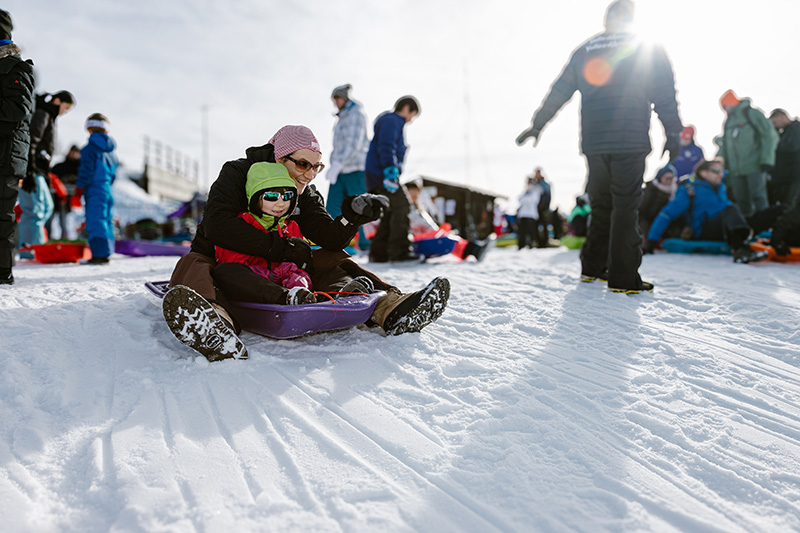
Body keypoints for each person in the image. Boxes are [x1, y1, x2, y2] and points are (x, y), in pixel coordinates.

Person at [161, 125, 451, 362]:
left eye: (316, 167)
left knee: (332, 257)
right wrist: (281, 247)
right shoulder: (238, 173)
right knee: (195, 263)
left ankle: (389, 306)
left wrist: (352, 217)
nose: (309, 175)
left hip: (279, 267)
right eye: (302, 164)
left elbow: (329, 237)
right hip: (226, 257)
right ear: (279, 158)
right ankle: (214, 322)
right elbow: (217, 225)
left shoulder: (304, 192)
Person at [516, 0, 683, 293]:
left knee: (602, 205)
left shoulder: (586, 49)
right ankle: (623, 277)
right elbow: (665, 94)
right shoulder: (646, 46)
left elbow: (559, 91)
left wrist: (538, 123)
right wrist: (673, 132)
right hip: (630, 140)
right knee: (626, 206)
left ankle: (592, 267)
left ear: (606, 20)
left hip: (594, 143)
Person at [212, 162, 318, 305]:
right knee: (224, 272)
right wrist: (272, 275)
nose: (281, 204)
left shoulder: (291, 227)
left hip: (290, 286)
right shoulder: (241, 224)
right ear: (256, 198)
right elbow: (232, 262)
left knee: (331, 265)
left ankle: (339, 292)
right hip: (254, 286)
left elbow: (302, 265)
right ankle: (285, 298)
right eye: (272, 196)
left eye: (287, 197)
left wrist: (299, 279)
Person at [642, 159, 768, 263]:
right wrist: (651, 241)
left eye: (722, 171)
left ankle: (777, 240)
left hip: (726, 224)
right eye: (716, 171)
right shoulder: (689, 189)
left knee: (773, 212)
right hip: (704, 229)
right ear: (703, 173)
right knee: (731, 209)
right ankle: (741, 249)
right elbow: (667, 214)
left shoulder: (720, 188)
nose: (721, 174)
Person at [0, 10, 35, 285]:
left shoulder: (15, 66)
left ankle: (2, 271)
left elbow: (18, 109)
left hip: (6, 154)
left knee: (2, 215)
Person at [365, 95, 420, 263]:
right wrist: (390, 171)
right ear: (405, 108)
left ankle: (379, 253)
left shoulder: (391, 121)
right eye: (412, 115)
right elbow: (387, 146)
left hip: (375, 175)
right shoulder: (393, 120)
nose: (410, 120)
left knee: (389, 212)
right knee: (402, 205)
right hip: (382, 174)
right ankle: (400, 252)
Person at [18, 90, 74, 251]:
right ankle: (31, 249)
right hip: (32, 170)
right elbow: (31, 142)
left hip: (40, 171)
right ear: (57, 101)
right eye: (66, 107)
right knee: (35, 210)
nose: (65, 112)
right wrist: (28, 172)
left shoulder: (49, 117)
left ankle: (35, 246)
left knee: (47, 207)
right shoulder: (42, 114)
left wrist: (46, 172)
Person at [716, 89, 779, 217]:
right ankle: (747, 229)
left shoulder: (752, 114)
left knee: (758, 197)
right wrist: (720, 165)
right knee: (741, 200)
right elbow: (725, 146)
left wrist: (767, 160)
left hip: (754, 166)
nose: (726, 110)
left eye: (726, 106)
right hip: (736, 170)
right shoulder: (727, 122)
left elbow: (770, 136)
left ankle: (765, 227)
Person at [326, 84, 371, 251]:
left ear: (345, 98)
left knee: (359, 206)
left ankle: (366, 243)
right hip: (340, 170)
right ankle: (338, 240)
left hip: (354, 169)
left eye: (338, 98)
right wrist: (334, 163)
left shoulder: (355, 115)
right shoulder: (341, 118)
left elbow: (353, 143)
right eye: (334, 99)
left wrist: (339, 162)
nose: (336, 102)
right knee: (333, 206)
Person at [405, 181, 490, 261]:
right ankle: (474, 251)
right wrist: (434, 232)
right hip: (416, 240)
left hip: (427, 236)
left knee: (450, 235)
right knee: (447, 240)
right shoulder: (405, 210)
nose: (414, 195)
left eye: (416, 192)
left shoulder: (419, 208)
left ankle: (474, 250)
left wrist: (439, 229)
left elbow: (429, 224)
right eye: (411, 192)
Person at [75, 113, 118, 264]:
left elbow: (86, 171)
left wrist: (79, 189)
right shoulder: (111, 152)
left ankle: (99, 255)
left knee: (95, 220)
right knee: (106, 220)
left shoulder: (89, 149)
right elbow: (113, 174)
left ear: (89, 129)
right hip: (107, 189)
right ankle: (107, 251)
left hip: (94, 189)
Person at [768, 109, 800, 207]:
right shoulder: (785, 132)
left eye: (775, 122)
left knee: (790, 205)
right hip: (784, 178)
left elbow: (793, 147)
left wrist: (777, 144)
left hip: (792, 177)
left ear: (782, 116)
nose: (774, 125)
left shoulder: (796, 129)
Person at [638, 163, 680, 239]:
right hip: (648, 227)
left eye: (672, 178)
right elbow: (641, 213)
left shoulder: (676, 193)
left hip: (666, 229)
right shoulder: (649, 191)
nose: (669, 181)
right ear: (660, 178)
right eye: (667, 178)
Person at [48, 144, 81, 239]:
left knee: (65, 219)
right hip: (55, 196)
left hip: (70, 199)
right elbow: (52, 177)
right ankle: (48, 237)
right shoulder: (60, 166)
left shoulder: (80, 168)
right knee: (50, 218)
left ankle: (65, 237)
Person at [516, 176, 541, 249]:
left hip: (531, 214)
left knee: (531, 231)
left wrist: (525, 199)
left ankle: (532, 244)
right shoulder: (525, 191)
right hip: (523, 214)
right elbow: (519, 199)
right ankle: (521, 245)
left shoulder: (536, 190)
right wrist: (525, 199)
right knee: (522, 231)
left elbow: (533, 200)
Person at [533, 168, 552, 247]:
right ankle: (538, 242)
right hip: (535, 209)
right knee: (536, 225)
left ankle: (545, 242)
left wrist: (543, 206)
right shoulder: (535, 184)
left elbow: (548, 196)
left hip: (543, 208)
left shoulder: (545, 185)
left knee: (544, 225)